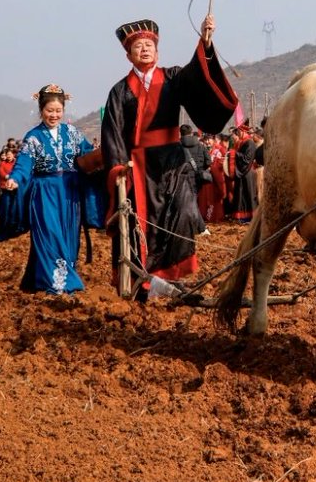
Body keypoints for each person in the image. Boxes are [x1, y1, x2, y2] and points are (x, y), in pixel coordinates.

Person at [101, 15, 239, 290]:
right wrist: (118, 168)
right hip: (138, 166)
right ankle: (143, 279)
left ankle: (170, 276)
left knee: (186, 213)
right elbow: (112, 132)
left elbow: (197, 75)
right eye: (138, 46)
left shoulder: (173, 77)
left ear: (157, 50)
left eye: (148, 45)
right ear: (129, 55)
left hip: (173, 162)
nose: (144, 49)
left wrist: (206, 43)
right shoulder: (119, 91)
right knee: (141, 222)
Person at [2, 85, 95, 294]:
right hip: (45, 193)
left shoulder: (72, 133)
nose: (54, 115)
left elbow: (88, 154)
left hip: (70, 193)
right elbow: (23, 164)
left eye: (58, 111)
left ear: (64, 110)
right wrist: (15, 179)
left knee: (68, 235)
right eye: (49, 110)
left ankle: (43, 278)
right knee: (49, 234)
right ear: (41, 110)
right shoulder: (33, 137)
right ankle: (60, 284)